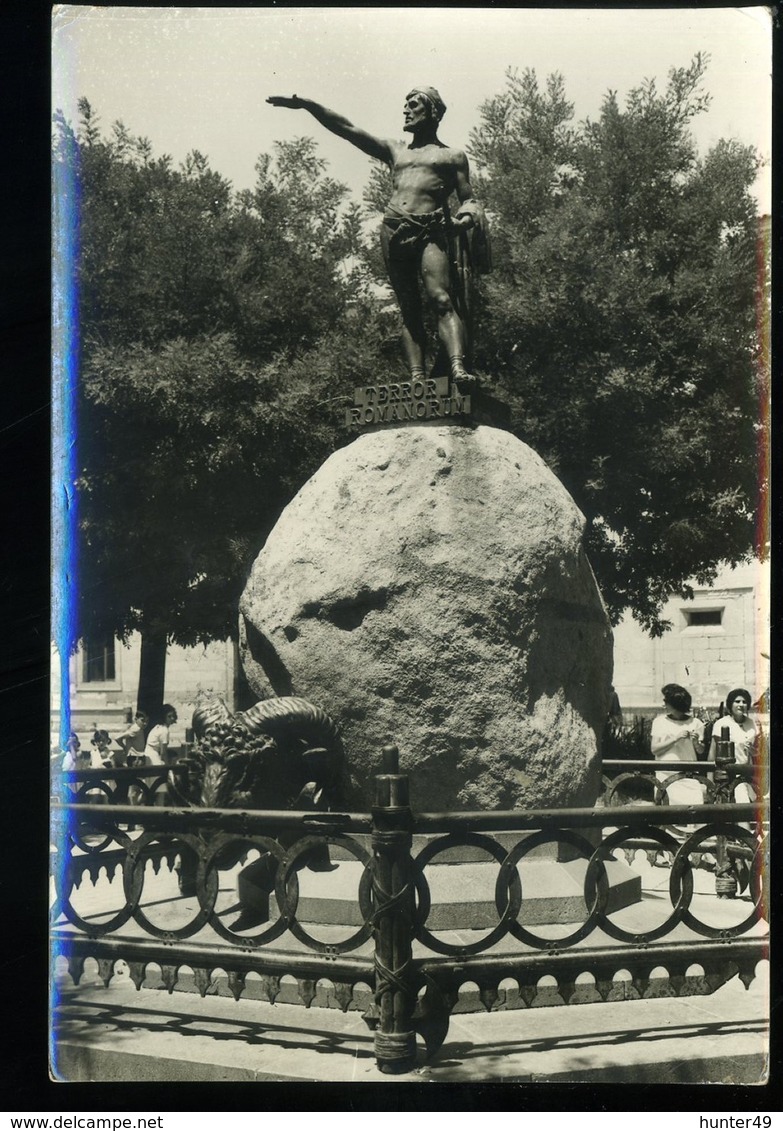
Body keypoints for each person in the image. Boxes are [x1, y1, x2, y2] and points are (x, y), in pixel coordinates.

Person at [267, 88, 490, 382]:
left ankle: (458, 368)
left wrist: (463, 220)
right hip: (394, 230)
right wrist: (309, 106)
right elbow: (347, 129)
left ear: (432, 112)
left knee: (441, 299)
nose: (406, 110)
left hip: (430, 231)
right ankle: (416, 378)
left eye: (414, 105)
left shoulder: (452, 156)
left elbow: (469, 199)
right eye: (405, 105)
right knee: (408, 307)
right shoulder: (395, 150)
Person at [650, 684, 706, 842]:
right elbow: (655, 749)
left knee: (693, 812)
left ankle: (691, 850)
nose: (664, 704)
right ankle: (667, 849)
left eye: (666, 701)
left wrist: (696, 742)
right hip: (666, 775)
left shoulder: (696, 723)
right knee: (668, 814)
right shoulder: (659, 722)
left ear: (676, 705)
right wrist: (675, 738)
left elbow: (701, 751)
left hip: (688, 776)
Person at [709, 688, 757, 804]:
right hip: (728, 776)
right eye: (737, 701)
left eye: (744, 702)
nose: (741, 705)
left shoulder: (752, 724)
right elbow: (712, 754)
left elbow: (757, 753)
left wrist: (752, 751)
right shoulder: (721, 724)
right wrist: (709, 782)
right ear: (730, 704)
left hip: (748, 774)